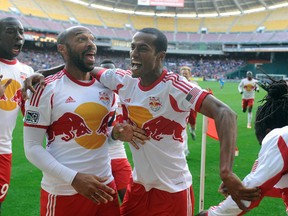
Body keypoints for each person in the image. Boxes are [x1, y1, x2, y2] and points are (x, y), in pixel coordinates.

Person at [23, 27, 260, 216]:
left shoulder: (176, 86)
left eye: (142, 49)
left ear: (161, 56)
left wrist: (226, 171)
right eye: (132, 47)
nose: (134, 54)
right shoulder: (123, 81)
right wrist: (40, 74)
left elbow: (225, 113)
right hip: (138, 187)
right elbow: (80, 66)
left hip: (173, 189)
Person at [23, 26, 147, 216]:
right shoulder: (45, 87)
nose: (91, 44)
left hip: (105, 188)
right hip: (64, 191)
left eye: (92, 39)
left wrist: (115, 133)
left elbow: (101, 135)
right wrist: (74, 179)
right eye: (81, 39)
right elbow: (31, 147)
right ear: (62, 49)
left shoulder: (106, 88)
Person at [197, 77, 288, 215]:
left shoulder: (280, 136)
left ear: (269, 133)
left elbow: (247, 195)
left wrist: (208, 214)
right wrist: (241, 186)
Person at [0, 17, 34, 214]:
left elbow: (29, 117)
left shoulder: (26, 72)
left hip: (4, 151)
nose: (19, 37)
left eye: (21, 32)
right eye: (11, 31)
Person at [100, 59, 132, 202]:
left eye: (110, 74)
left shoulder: (125, 96)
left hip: (118, 155)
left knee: (128, 201)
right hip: (97, 159)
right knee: (103, 205)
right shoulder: (90, 97)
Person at [179, 66, 197, 156]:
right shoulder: (177, 84)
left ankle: (192, 129)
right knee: (183, 130)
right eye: (183, 73)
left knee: (193, 123)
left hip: (191, 108)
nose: (185, 75)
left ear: (189, 74)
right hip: (181, 109)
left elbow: (197, 94)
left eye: (186, 73)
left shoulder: (194, 84)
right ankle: (185, 150)